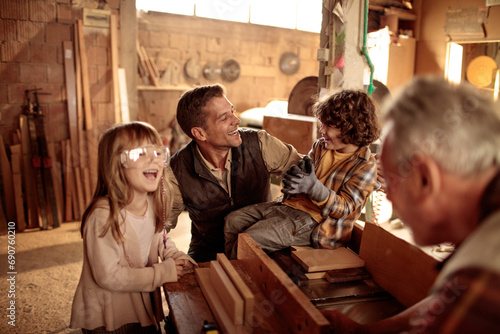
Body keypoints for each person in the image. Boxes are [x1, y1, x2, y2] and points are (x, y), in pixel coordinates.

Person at [321, 76, 500, 333]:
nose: (389, 196)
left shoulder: (485, 287)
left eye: (391, 182)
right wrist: (368, 331)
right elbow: (445, 301)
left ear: (427, 179)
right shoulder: (485, 230)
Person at [224, 89, 380, 259]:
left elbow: (346, 209)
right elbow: (305, 171)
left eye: (329, 125)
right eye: (322, 124)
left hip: (316, 222)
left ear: (350, 127)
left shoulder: (365, 166)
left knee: (250, 240)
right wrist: (296, 177)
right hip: (289, 206)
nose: (322, 130)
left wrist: (314, 188)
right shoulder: (322, 146)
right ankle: (231, 266)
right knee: (233, 220)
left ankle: (235, 276)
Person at [70, 122, 195, 334]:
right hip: (109, 319)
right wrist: (163, 273)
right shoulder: (103, 216)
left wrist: (173, 255)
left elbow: (160, 239)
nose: (153, 159)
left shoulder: (153, 203)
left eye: (157, 152)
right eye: (140, 153)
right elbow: (109, 276)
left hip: (142, 307)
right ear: (116, 164)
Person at [165, 84, 302, 263]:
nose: (236, 120)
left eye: (232, 111)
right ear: (199, 133)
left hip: (262, 248)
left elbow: (306, 172)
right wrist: (173, 255)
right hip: (209, 255)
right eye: (224, 118)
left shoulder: (260, 144)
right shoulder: (176, 170)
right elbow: (161, 226)